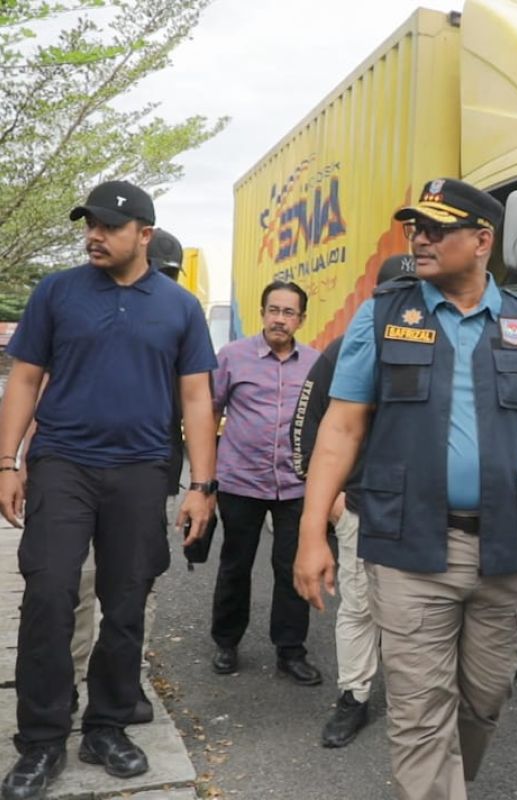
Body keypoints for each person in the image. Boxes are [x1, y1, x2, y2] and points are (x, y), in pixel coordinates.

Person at [293, 178, 517, 800]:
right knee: (421, 717)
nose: (418, 239)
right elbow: (341, 429)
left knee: (483, 701)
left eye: (435, 228)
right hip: (408, 550)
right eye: (413, 228)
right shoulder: (382, 316)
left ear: (482, 241)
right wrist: (311, 532)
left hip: (505, 550)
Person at [0, 182, 218, 799]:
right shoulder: (57, 293)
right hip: (63, 463)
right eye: (88, 225)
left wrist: (202, 484)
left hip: (142, 469)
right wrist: (6, 462)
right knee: (49, 593)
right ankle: (42, 741)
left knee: (125, 604)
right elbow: (25, 378)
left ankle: (107, 725)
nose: (94, 235)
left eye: (108, 226)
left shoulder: (178, 306)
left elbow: (197, 397)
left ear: (143, 235)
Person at [290, 254, 411, 747]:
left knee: (417, 613)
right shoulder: (347, 349)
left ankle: (415, 703)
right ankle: (354, 696)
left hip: (424, 511)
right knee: (359, 608)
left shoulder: (444, 346)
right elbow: (306, 430)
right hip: (360, 506)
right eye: (394, 292)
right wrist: (329, 502)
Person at [68, 227, 187, 726]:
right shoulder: (94, 311)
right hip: (84, 472)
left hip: (150, 477)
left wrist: (201, 484)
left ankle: (121, 681)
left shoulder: (178, 318)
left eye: (171, 275)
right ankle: (67, 680)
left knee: (137, 585)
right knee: (77, 580)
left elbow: (198, 402)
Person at [209, 281, 321, 684]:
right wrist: (204, 481)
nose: (280, 319)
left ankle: (290, 651)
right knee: (235, 565)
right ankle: (226, 641)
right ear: (262, 313)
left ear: (301, 319)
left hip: (295, 484)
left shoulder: (315, 363)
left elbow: (325, 425)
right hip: (240, 480)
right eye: (274, 310)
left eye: (289, 312)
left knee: (294, 568)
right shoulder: (231, 357)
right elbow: (209, 412)